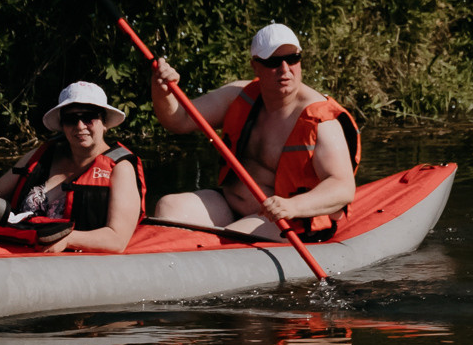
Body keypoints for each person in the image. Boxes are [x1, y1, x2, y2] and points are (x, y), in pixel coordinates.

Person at [148, 23, 360, 238]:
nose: (285, 69)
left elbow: (342, 188)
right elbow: (179, 120)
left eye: (293, 59)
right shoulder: (238, 96)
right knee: (169, 207)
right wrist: (162, 91)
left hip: (289, 219)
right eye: (273, 62)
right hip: (231, 205)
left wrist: (292, 206)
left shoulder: (320, 119)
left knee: (231, 238)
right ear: (255, 66)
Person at [0, 82, 144, 253]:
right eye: (71, 119)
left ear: (104, 123)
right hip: (19, 246)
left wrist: (68, 239)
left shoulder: (121, 168)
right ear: (62, 125)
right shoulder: (41, 155)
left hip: (71, 260)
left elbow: (117, 239)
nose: (80, 126)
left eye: (88, 117)